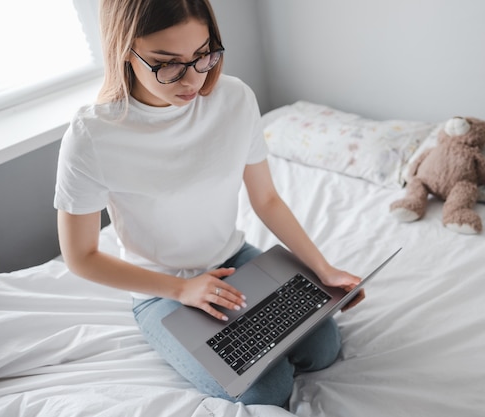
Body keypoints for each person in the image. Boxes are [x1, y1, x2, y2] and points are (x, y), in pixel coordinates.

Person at [54, 0, 364, 407]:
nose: (192, 80)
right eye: (168, 63)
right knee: (266, 390)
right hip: (160, 287)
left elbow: (266, 199)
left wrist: (324, 269)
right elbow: (81, 257)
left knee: (323, 350)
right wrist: (182, 289)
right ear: (124, 51)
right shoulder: (92, 135)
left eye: (202, 56)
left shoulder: (234, 98)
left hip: (235, 258)